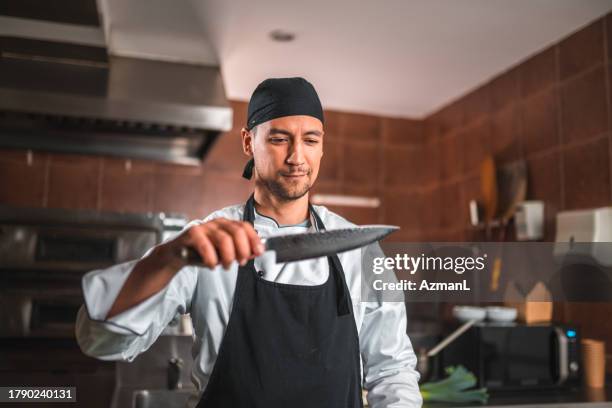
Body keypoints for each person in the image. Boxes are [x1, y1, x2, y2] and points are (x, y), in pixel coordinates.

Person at [76, 77, 422, 407]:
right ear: (248, 142)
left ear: (322, 147)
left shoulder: (356, 248)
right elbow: (104, 342)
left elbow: (392, 369)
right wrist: (166, 259)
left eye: (311, 140)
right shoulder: (204, 242)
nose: (297, 157)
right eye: (279, 139)